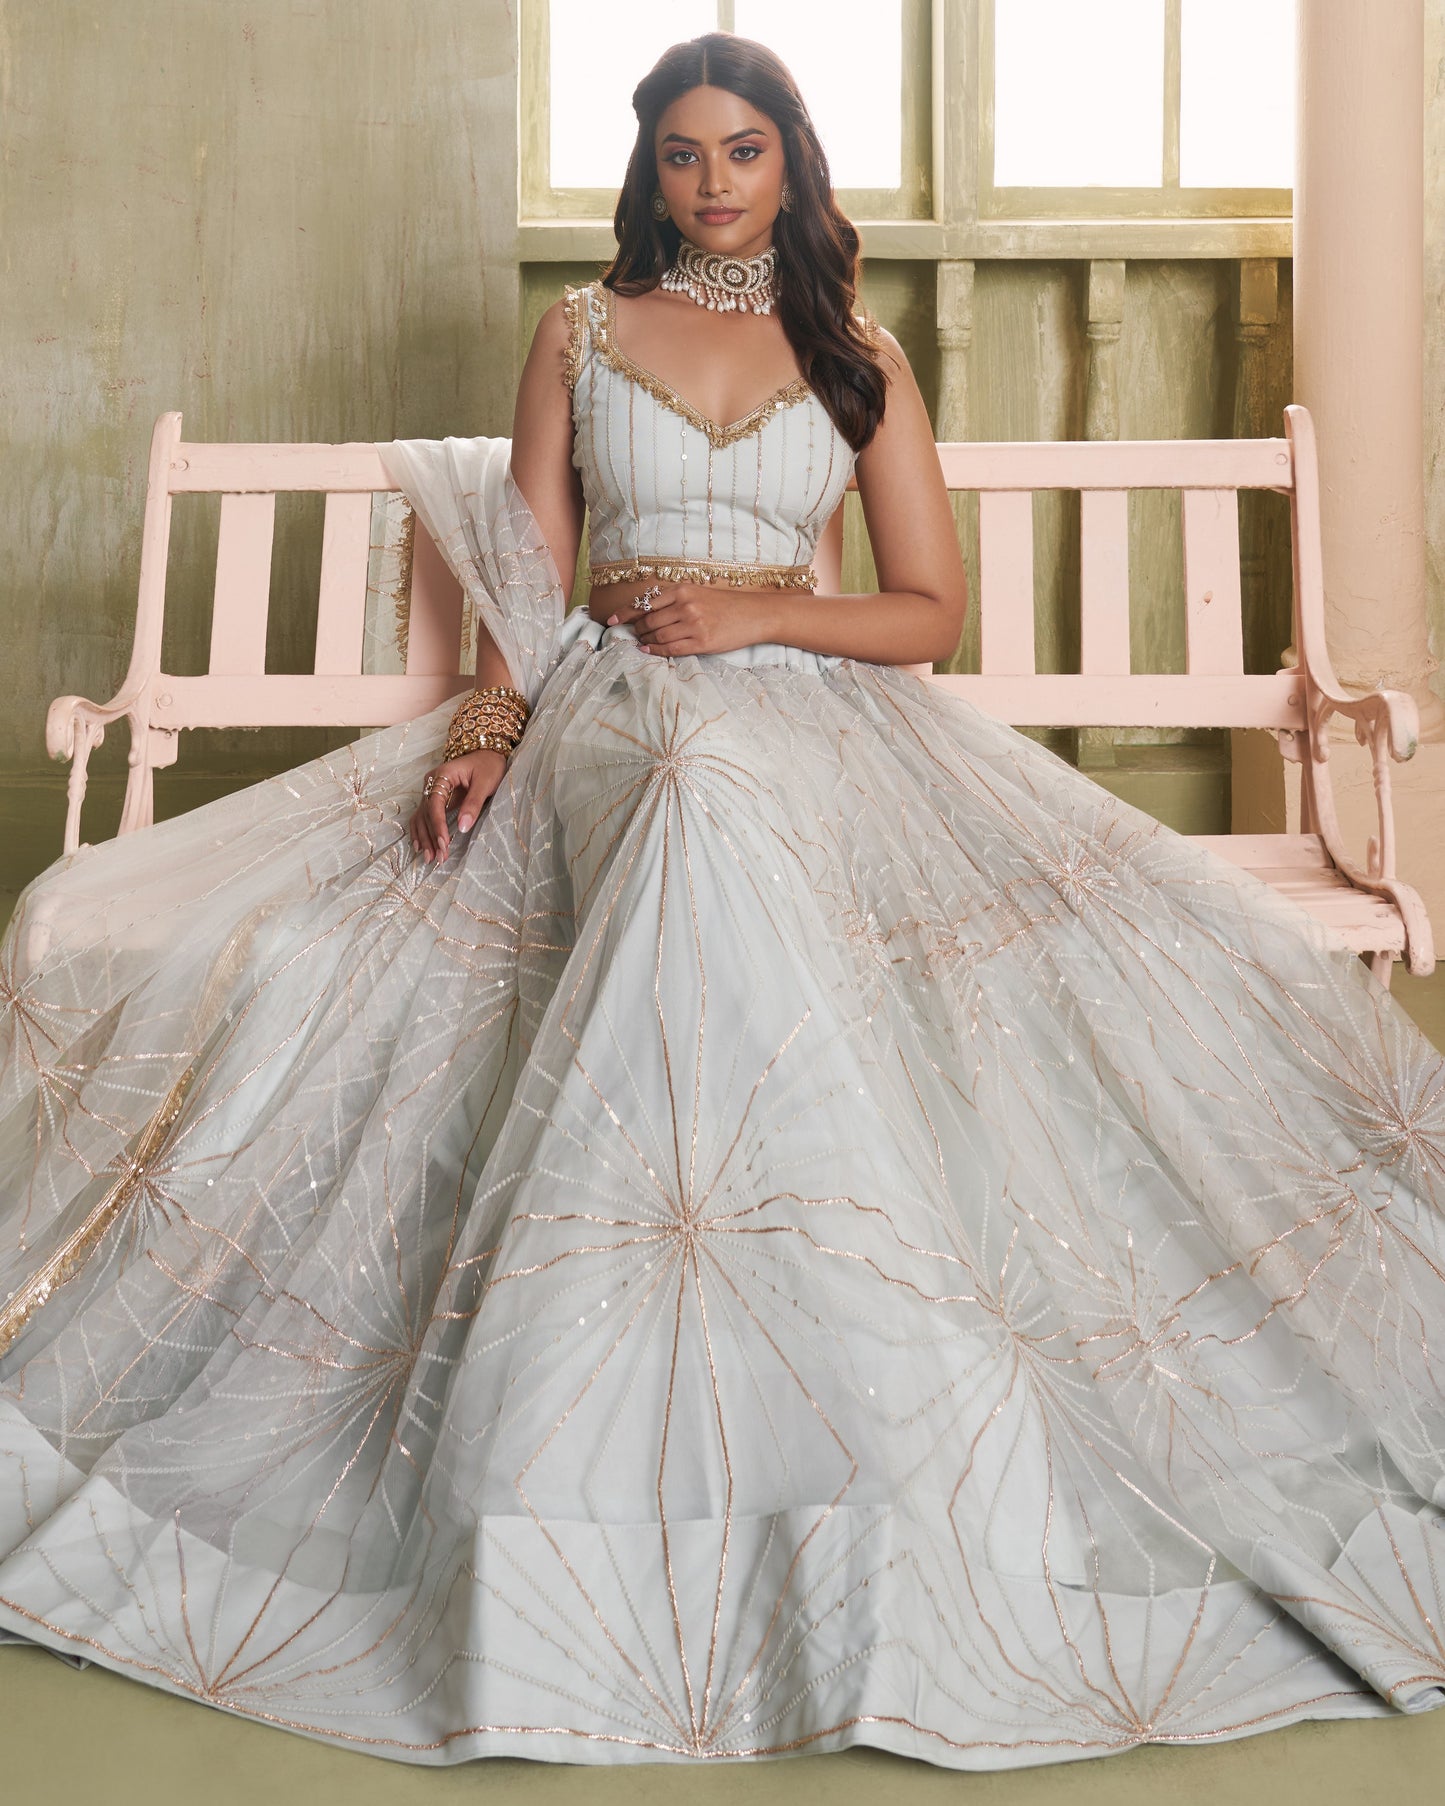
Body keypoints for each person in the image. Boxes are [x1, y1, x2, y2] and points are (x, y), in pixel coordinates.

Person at [2, 28, 1445, 1776]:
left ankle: (843, 1434)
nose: (709, 182)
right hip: (610, 708)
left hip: (815, 710)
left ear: (789, 161)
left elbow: (927, 612)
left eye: (740, 151)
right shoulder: (578, 332)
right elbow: (531, 579)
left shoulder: (855, 357)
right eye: (680, 154)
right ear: (649, 168)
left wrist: (760, 619)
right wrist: (481, 730)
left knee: (745, 802)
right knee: (687, 794)